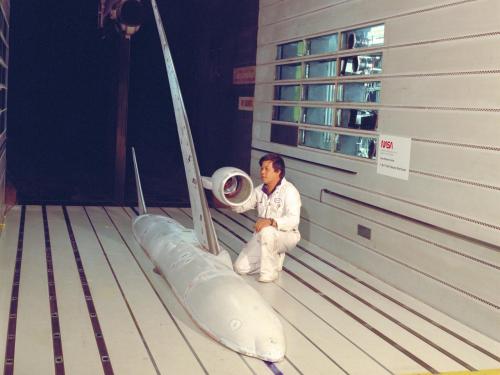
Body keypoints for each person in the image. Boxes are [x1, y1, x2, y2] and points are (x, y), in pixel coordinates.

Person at [232, 153, 301, 282]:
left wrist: (271, 221)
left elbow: (293, 220)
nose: (262, 172)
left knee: (267, 231)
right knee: (239, 268)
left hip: (287, 236)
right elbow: (240, 207)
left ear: (278, 172)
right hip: (263, 236)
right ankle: (274, 259)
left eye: (266, 169)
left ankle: (269, 273)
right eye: (261, 168)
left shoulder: (290, 191)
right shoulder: (259, 191)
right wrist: (229, 197)